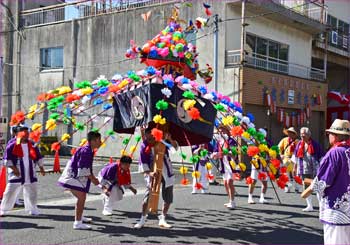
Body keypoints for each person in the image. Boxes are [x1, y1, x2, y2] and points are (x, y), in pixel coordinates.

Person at [302, 119, 350, 244]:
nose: (328, 136)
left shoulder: (334, 153)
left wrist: (308, 191)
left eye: (330, 134)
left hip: (336, 209)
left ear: (336, 136)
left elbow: (323, 181)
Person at [134, 127, 178, 229]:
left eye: (151, 139)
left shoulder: (162, 141)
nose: (149, 141)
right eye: (147, 138)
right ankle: (142, 219)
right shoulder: (144, 145)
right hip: (152, 173)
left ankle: (162, 218)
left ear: (156, 137)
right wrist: (150, 173)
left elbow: (174, 148)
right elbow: (143, 163)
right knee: (147, 198)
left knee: (168, 197)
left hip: (166, 172)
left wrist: (170, 139)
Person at [57, 131, 101, 230]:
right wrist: (94, 179)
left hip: (73, 175)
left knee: (81, 197)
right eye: (99, 140)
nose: (100, 142)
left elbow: (87, 168)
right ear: (93, 141)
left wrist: (93, 178)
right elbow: (83, 169)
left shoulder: (87, 149)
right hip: (71, 176)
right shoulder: (86, 151)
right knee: (81, 197)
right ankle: (77, 222)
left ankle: (80, 217)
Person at [0, 124, 45, 216]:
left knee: (32, 192)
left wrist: (41, 168)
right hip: (17, 172)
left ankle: (32, 209)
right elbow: (7, 159)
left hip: (30, 172)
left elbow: (38, 157)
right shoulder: (12, 145)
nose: (26, 135)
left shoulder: (32, 144)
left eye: (27, 133)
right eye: (24, 133)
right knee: (9, 191)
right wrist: (14, 169)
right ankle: (3, 209)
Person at [291, 127, 323, 212]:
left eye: (304, 135)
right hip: (303, 169)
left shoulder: (315, 144)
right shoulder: (299, 144)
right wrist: (294, 167)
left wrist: (322, 169)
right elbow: (296, 157)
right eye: (301, 135)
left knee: (317, 187)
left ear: (309, 135)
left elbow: (322, 158)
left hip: (315, 170)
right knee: (306, 187)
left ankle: (321, 206)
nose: (302, 137)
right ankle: (310, 206)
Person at [212, 125, 237, 209]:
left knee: (230, 182)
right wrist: (214, 155)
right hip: (223, 165)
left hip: (231, 164)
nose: (221, 133)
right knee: (226, 184)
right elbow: (215, 152)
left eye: (223, 131)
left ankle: (232, 202)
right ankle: (230, 200)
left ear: (227, 131)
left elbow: (234, 155)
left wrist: (225, 153)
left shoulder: (231, 141)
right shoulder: (219, 142)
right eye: (220, 132)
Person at [248, 128, 269, 204]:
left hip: (263, 164)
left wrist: (268, 158)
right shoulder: (254, 141)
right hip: (256, 163)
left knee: (265, 182)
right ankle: (250, 197)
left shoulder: (265, 142)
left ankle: (262, 197)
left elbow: (267, 152)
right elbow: (252, 147)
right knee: (253, 180)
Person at [278, 127, 299, 193]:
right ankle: (287, 187)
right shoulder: (284, 140)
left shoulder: (298, 141)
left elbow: (300, 151)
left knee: (293, 174)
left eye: (291, 133)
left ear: (294, 134)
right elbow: (279, 148)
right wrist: (280, 155)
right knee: (285, 174)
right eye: (289, 132)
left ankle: (296, 186)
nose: (290, 134)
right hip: (285, 158)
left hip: (294, 159)